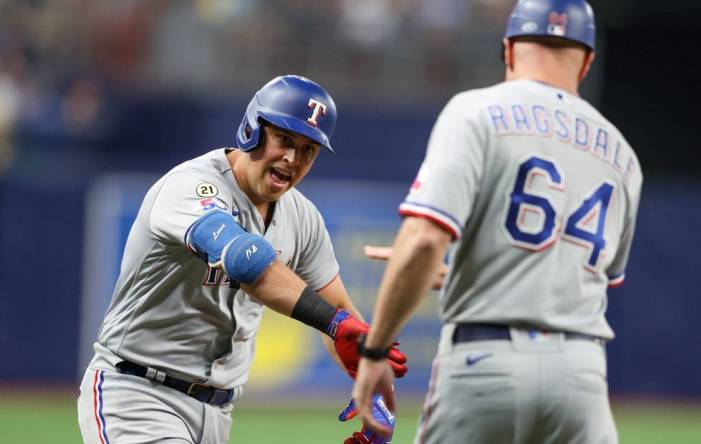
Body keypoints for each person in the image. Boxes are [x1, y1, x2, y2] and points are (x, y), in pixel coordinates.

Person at [352, 0, 643, 443]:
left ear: (508, 49)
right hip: (581, 375)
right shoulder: (623, 156)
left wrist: (374, 351)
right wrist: (463, 275)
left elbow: (425, 241)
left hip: (485, 362)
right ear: (587, 62)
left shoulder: (476, 111)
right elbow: (588, 279)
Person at [76, 75, 407, 444]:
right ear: (253, 128)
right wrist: (337, 324)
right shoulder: (191, 186)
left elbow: (339, 314)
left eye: (308, 149)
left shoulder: (302, 217)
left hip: (217, 415)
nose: (292, 158)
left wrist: (373, 386)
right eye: (284, 139)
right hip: (137, 394)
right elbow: (247, 263)